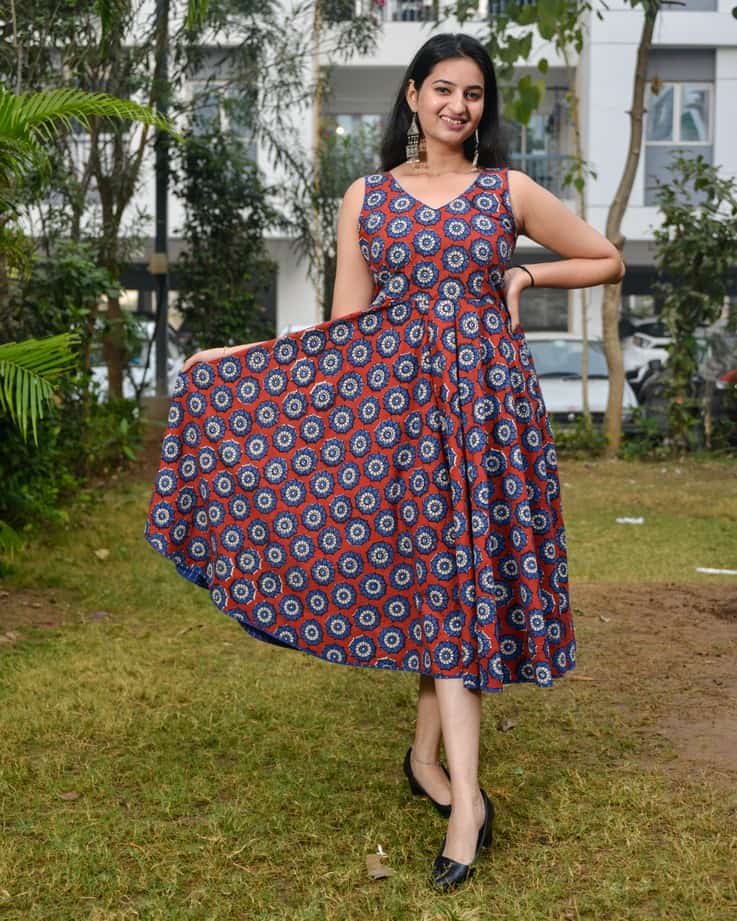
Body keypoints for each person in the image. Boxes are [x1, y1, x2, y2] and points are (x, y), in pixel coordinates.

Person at [145, 32, 624, 890]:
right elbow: (342, 333)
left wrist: (523, 278)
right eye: (442, 89)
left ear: (483, 109)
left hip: (488, 420)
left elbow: (605, 256)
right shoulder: (365, 197)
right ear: (411, 96)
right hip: (401, 423)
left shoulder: (503, 190)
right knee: (438, 589)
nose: (457, 106)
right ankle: (456, 790)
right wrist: (240, 357)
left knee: (457, 589)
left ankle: (447, 784)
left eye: (473, 94)